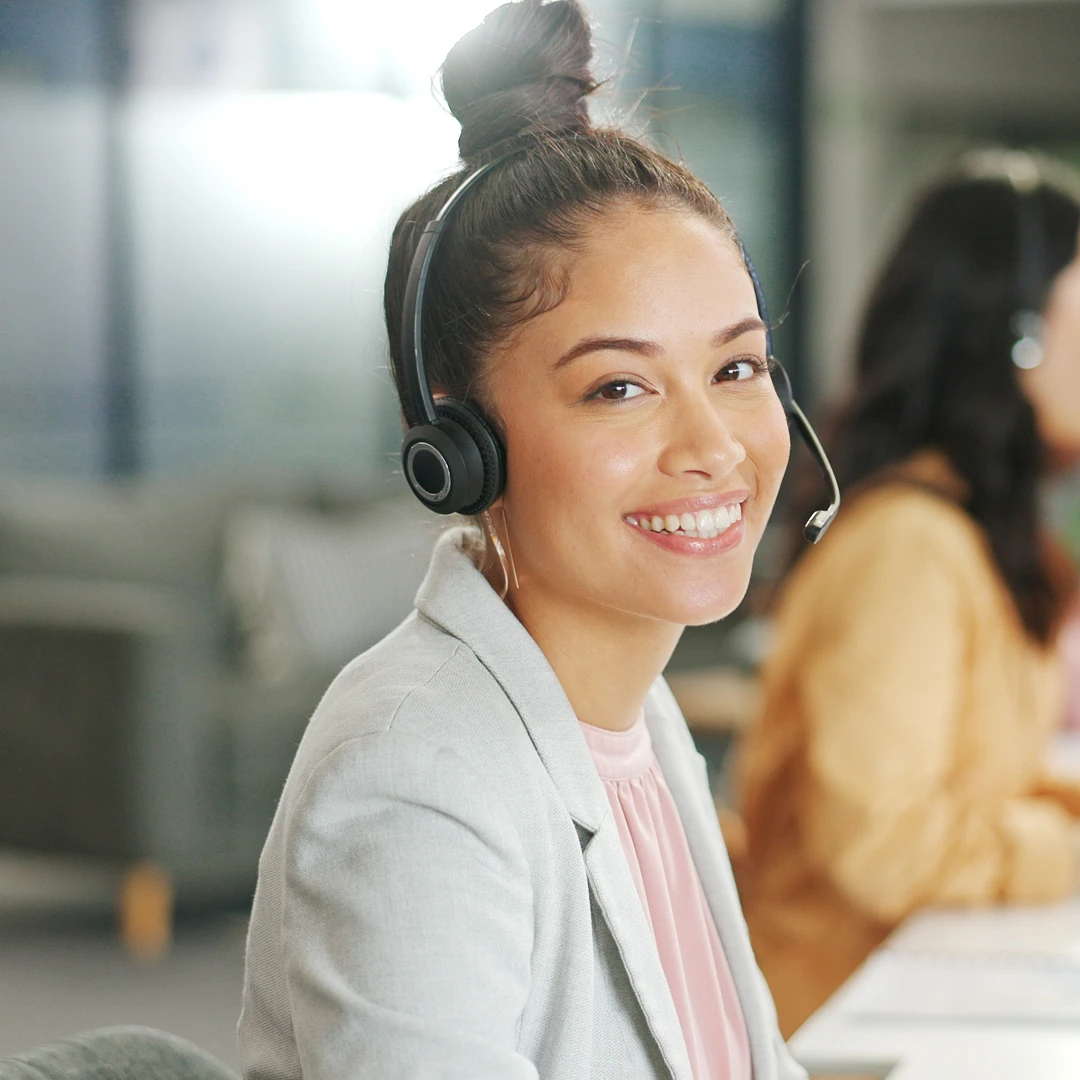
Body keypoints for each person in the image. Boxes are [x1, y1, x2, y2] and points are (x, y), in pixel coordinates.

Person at [238, 2, 809, 1078]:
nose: (714, 447)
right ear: (460, 445)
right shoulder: (415, 782)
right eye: (620, 387)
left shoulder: (637, 719)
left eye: (736, 369)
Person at [738, 149, 1080, 1037]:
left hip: (913, 1000)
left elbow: (965, 780)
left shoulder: (968, 535)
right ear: (1018, 336)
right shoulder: (910, 549)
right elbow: (886, 848)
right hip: (840, 1025)